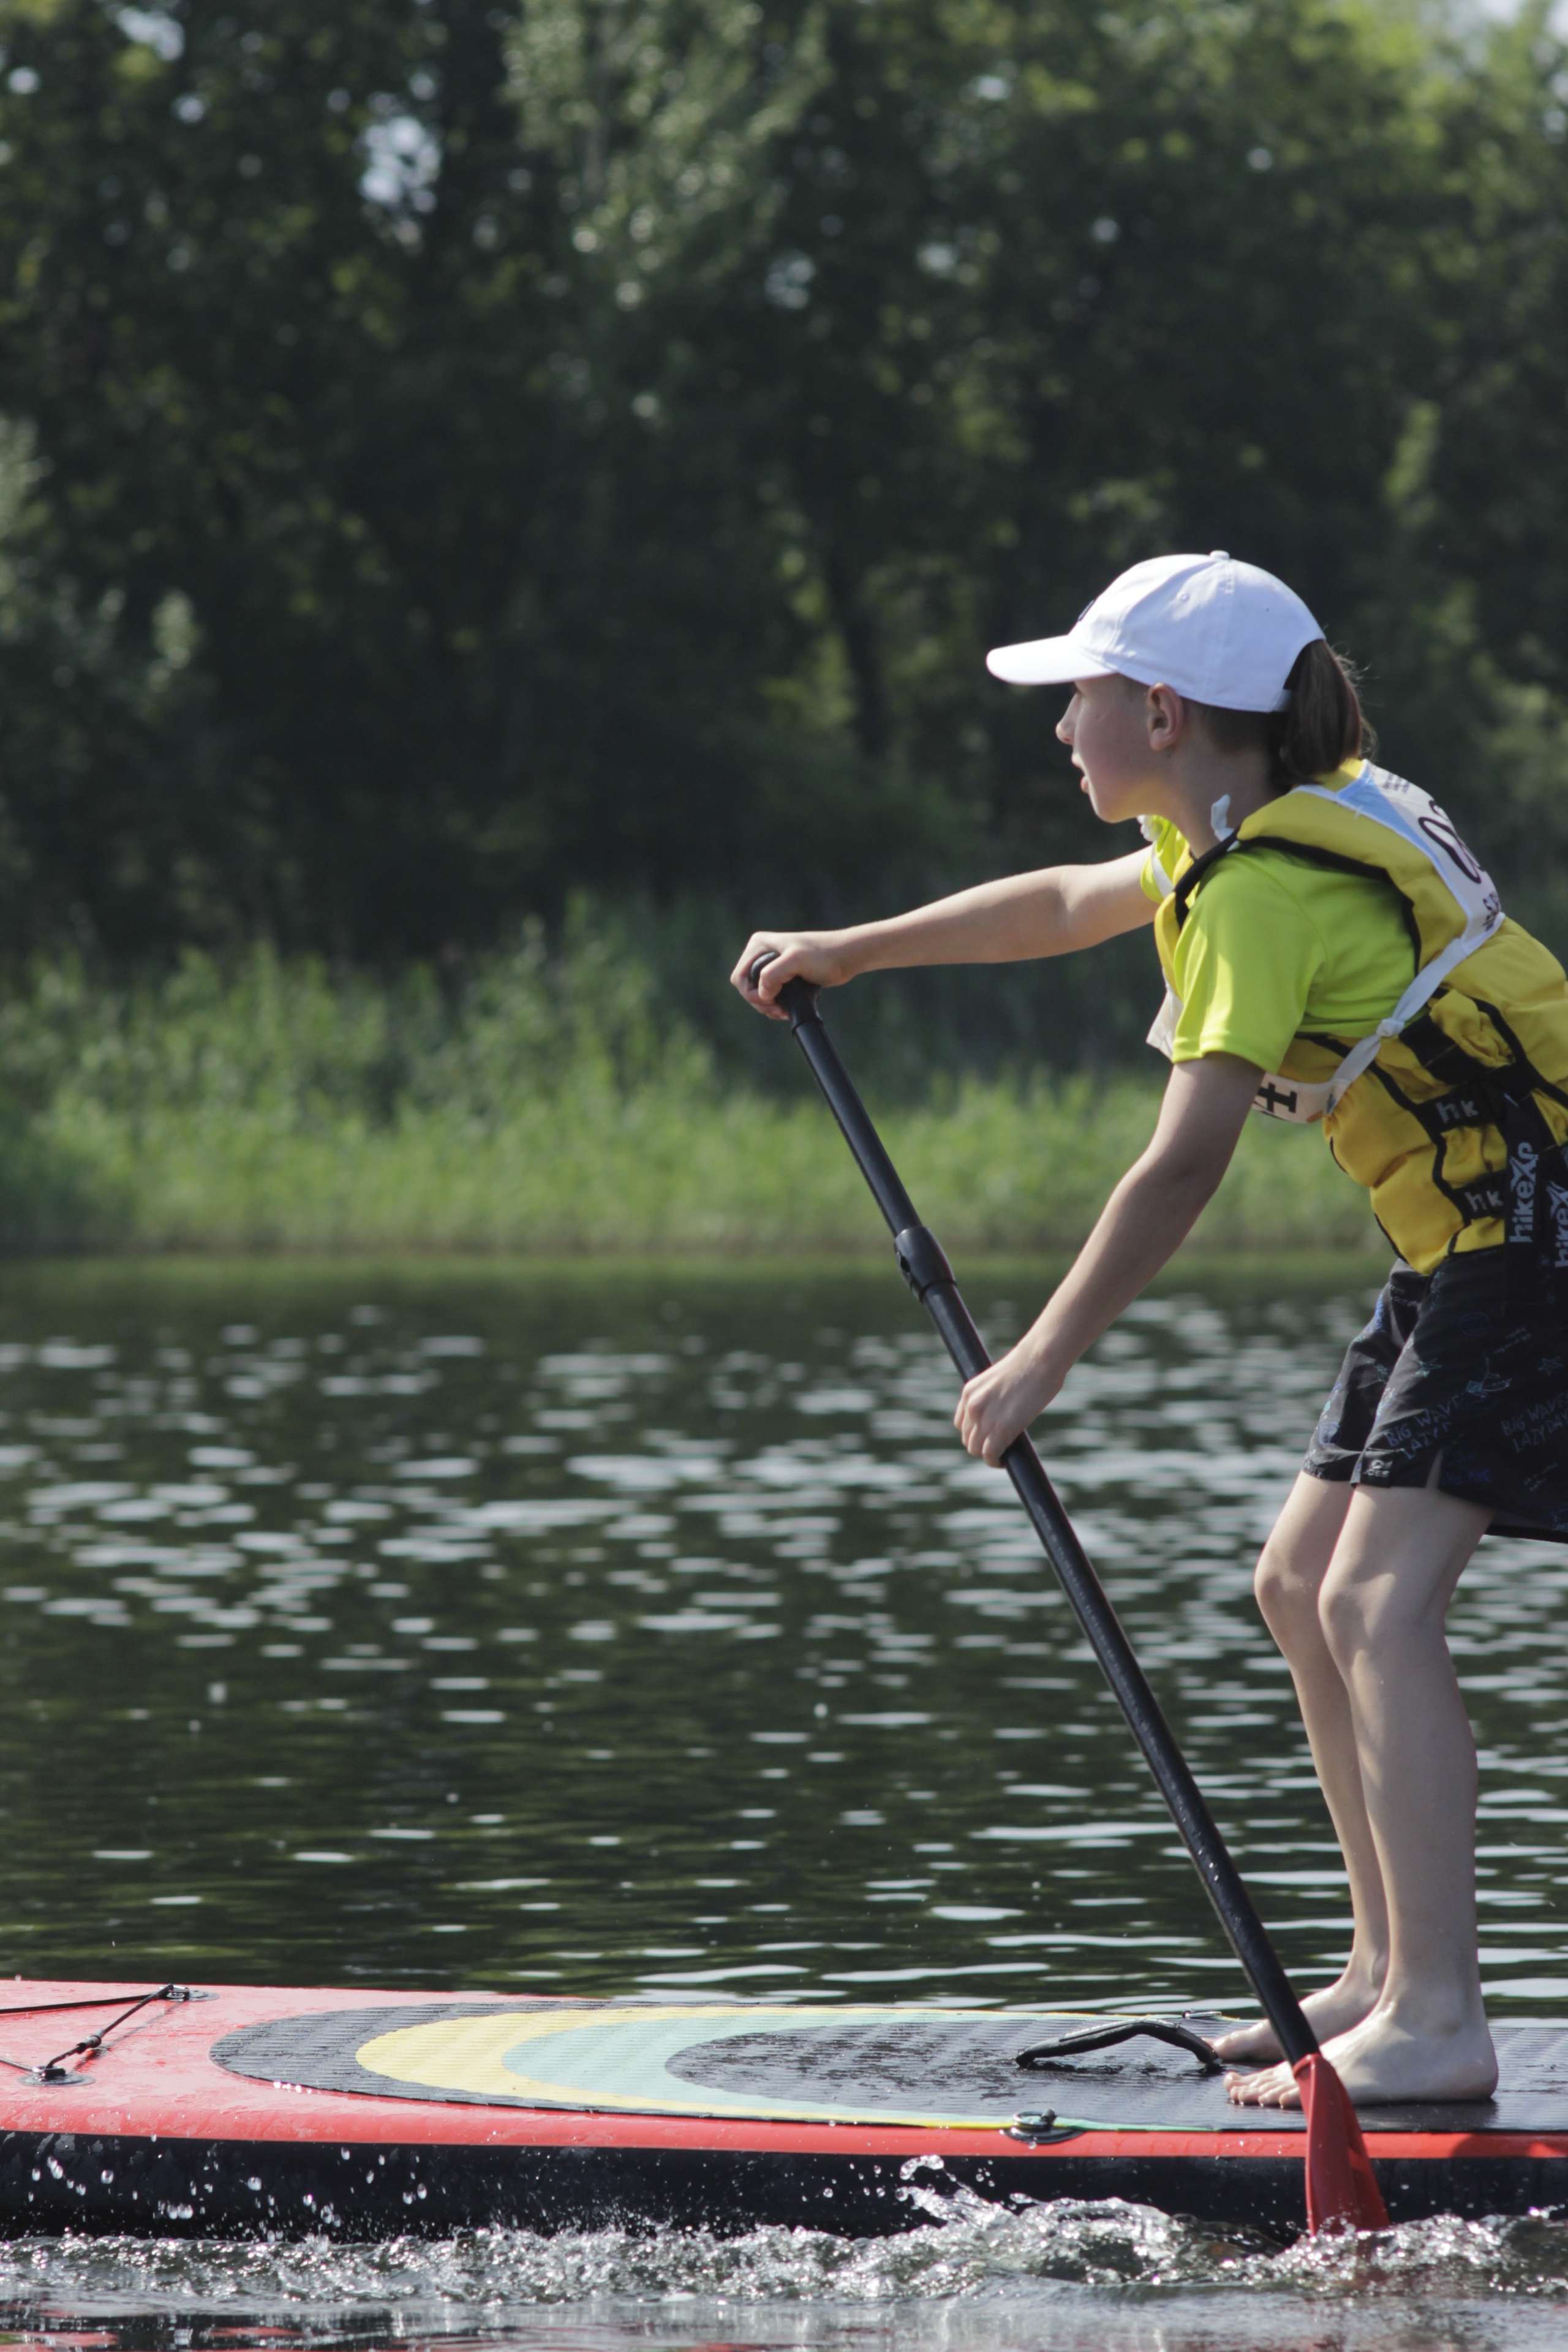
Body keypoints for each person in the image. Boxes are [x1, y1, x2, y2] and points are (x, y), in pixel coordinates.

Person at [730, 550, 1568, 2109]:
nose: (1061, 731)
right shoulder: (1249, 832)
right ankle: (1378, 1978)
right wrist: (852, 949)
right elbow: (1060, 904)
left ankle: (1443, 2020)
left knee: (1377, 1607)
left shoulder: (1264, 895)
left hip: (1533, 1249)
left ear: (1165, 714)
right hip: (1464, 1241)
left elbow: (1181, 1160)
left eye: (1081, 700)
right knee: (1294, 1584)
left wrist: (1039, 1355)